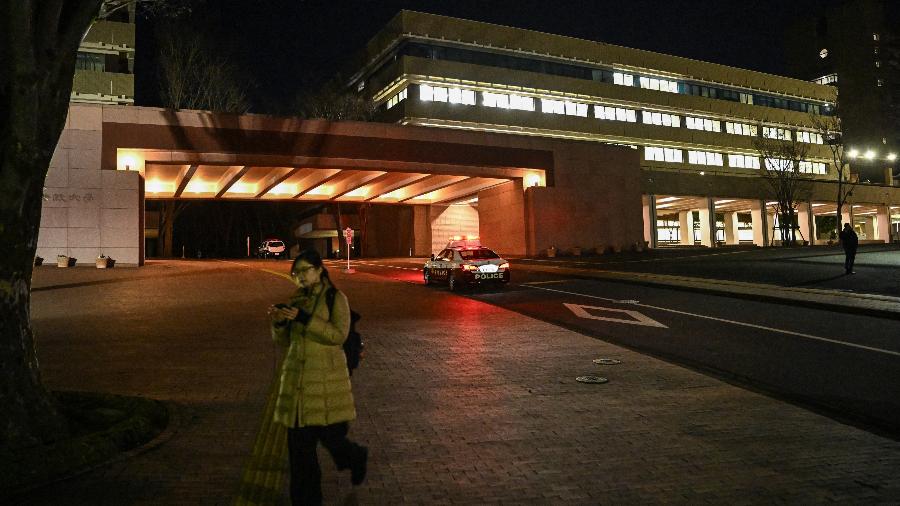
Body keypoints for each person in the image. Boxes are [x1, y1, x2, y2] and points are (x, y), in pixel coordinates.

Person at [268, 249, 367, 505]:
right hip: (297, 389)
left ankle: (355, 457)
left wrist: (305, 319)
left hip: (324, 385)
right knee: (300, 458)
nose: (299, 276)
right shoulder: (297, 299)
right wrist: (279, 323)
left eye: (304, 270)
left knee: (332, 441)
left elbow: (338, 336)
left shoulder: (336, 298)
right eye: (295, 272)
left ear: (319, 270)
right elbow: (286, 341)